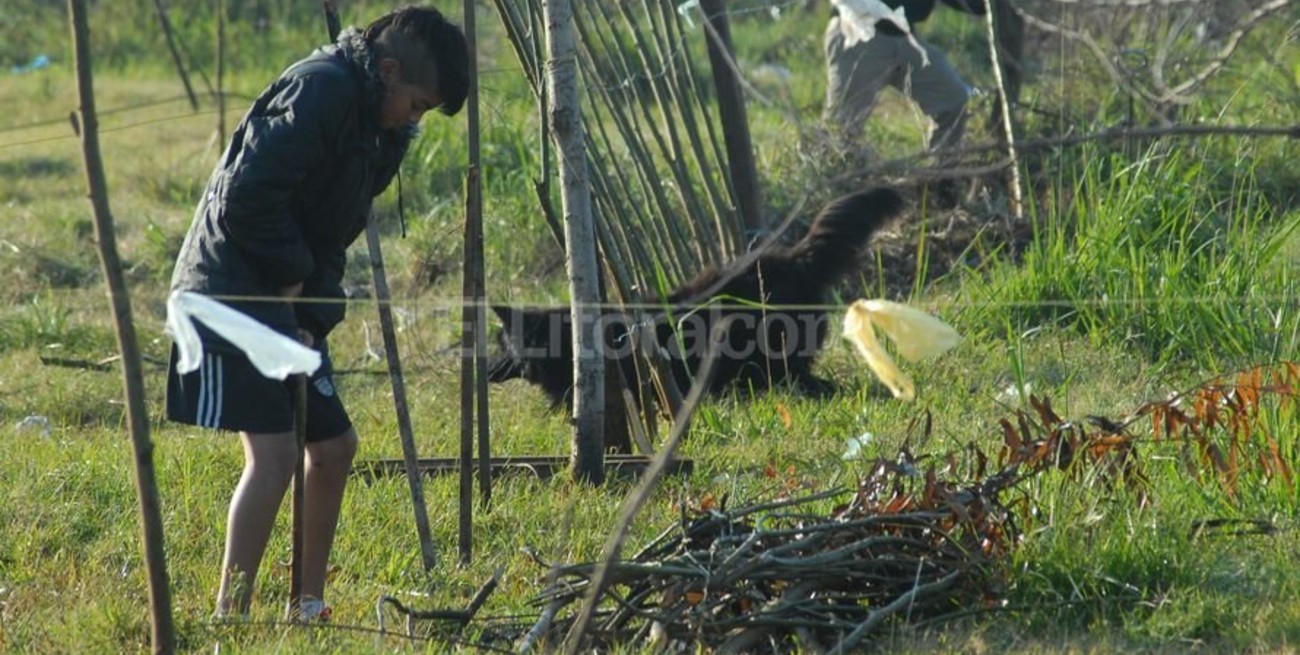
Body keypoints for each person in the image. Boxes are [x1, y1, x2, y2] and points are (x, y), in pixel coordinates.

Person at [164, 6, 469, 621]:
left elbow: (338, 228)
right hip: (232, 291)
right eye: (416, 105)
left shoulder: (380, 130)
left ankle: (305, 605)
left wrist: (315, 305)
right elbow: (245, 199)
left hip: (286, 289)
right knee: (274, 457)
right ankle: (233, 615)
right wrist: (292, 275)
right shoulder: (321, 92)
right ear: (387, 71)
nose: (417, 120)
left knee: (333, 449)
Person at [823, 0, 986, 152]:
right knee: (842, 125)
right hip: (858, 31)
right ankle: (832, 179)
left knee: (952, 99)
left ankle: (942, 176)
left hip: (905, 36)